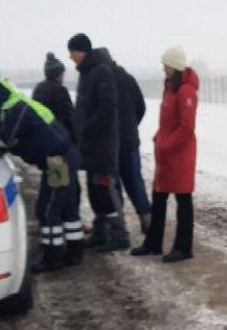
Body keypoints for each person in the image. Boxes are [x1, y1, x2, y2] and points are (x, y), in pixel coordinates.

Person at [0, 77, 84, 271]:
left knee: (47, 209)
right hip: (63, 158)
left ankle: (52, 257)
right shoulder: (17, 106)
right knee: (66, 207)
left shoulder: (16, 111)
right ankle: (75, 252)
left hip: (58, 161)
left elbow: (3, 142)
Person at [133, 45, 198, 263]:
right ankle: (153, 243)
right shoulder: (170, 87)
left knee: (183, 200)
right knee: (159, 198)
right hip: (167, 153)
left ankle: (183, 247)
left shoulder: (186, 91)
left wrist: (166, 144)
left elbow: (186, 128)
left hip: (179, 155)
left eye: (166, 65)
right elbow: (168, 122)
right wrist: (158, 136)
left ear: (175, 66)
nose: (163, 68)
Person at [68, 33, 130, 253]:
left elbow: (107, 107)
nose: (70, 57)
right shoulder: (86, 73)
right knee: (94, 191)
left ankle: (120, 234)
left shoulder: (101, 72)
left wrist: (87, 128)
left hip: (102, 145)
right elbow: (84, 107)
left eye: (72, 52)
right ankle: (100, 233)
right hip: (90, 145)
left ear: (81, 51)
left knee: (105, 190)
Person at [111, 57, 152, 233]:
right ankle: (148, 222)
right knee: (135, 182)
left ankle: (119, 228)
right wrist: (132, 126)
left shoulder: (102, 81)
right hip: (130, 141)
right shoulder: (128, 78)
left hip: (112, 144)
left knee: (114, 186)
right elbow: (141, 106)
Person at [32, 52, 75, 139]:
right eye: (63, 74)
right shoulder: (60, 90)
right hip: (58, 136)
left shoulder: (38, 88)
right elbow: (68, 118)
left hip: (41, 135)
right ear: (58, 75)